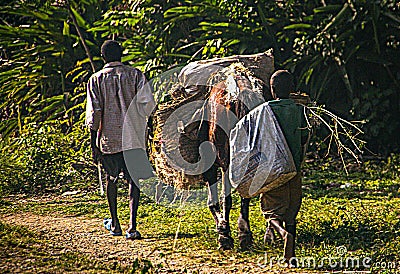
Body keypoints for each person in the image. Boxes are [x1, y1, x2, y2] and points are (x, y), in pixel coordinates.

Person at [86, 40, 155, 240]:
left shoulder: (96, 79)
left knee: (111, 179)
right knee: (134, 180)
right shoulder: (135, 75)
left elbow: (94, 114)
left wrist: (94, 144)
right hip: (133, 138)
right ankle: (132, 226)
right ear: (121, 55)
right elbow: (147, 106)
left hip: (110, 139)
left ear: (103, 57)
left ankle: (115, 223)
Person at [260, 70, 308, 264]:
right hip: (294, 167)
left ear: (272, 90)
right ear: (292, 89)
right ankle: (291, 256)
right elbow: (304, 137)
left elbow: (257, 139)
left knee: (271, 212)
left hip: (275, 169)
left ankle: (281, 234)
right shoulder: (299, 110)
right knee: (291, 211)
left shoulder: (265, 110)